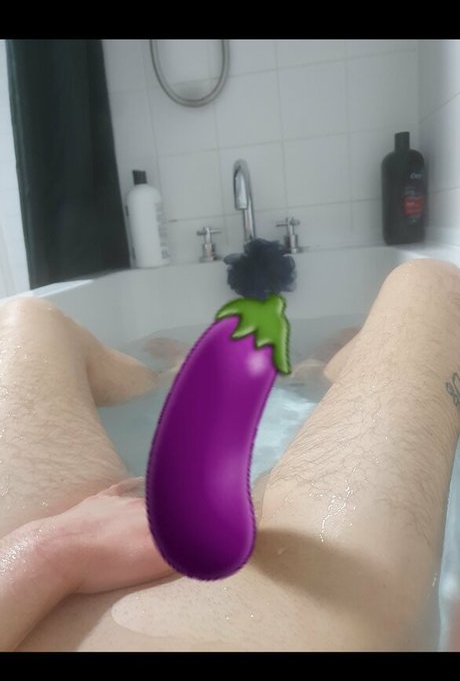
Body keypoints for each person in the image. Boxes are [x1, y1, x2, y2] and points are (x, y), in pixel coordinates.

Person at [0, 257, 459, 652]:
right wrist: (55, 551)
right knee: (429, 288)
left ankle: (163, 379)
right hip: (285, 627)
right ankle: (318, 372)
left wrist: (49, 548)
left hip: (38, 607)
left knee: (26, 319)